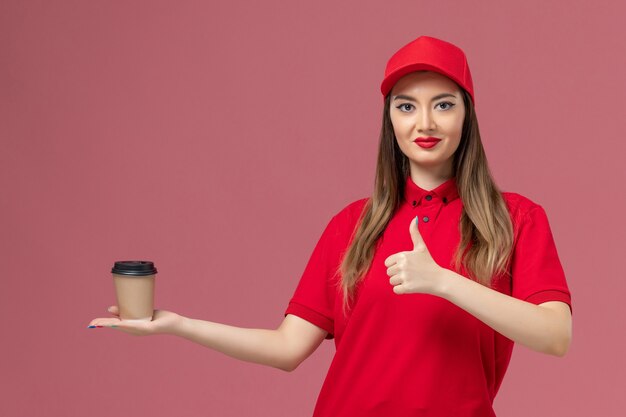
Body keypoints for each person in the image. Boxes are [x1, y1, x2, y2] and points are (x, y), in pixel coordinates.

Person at [89, 35, 573, 416]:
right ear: (389, 120)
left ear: (467, 114)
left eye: (443, 103)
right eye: (406, 105)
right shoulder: (352, 225)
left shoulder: (515, 218)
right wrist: (178, 325)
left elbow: (555, 335)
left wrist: (443, 282)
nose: (425, 121)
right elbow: (287, 347)